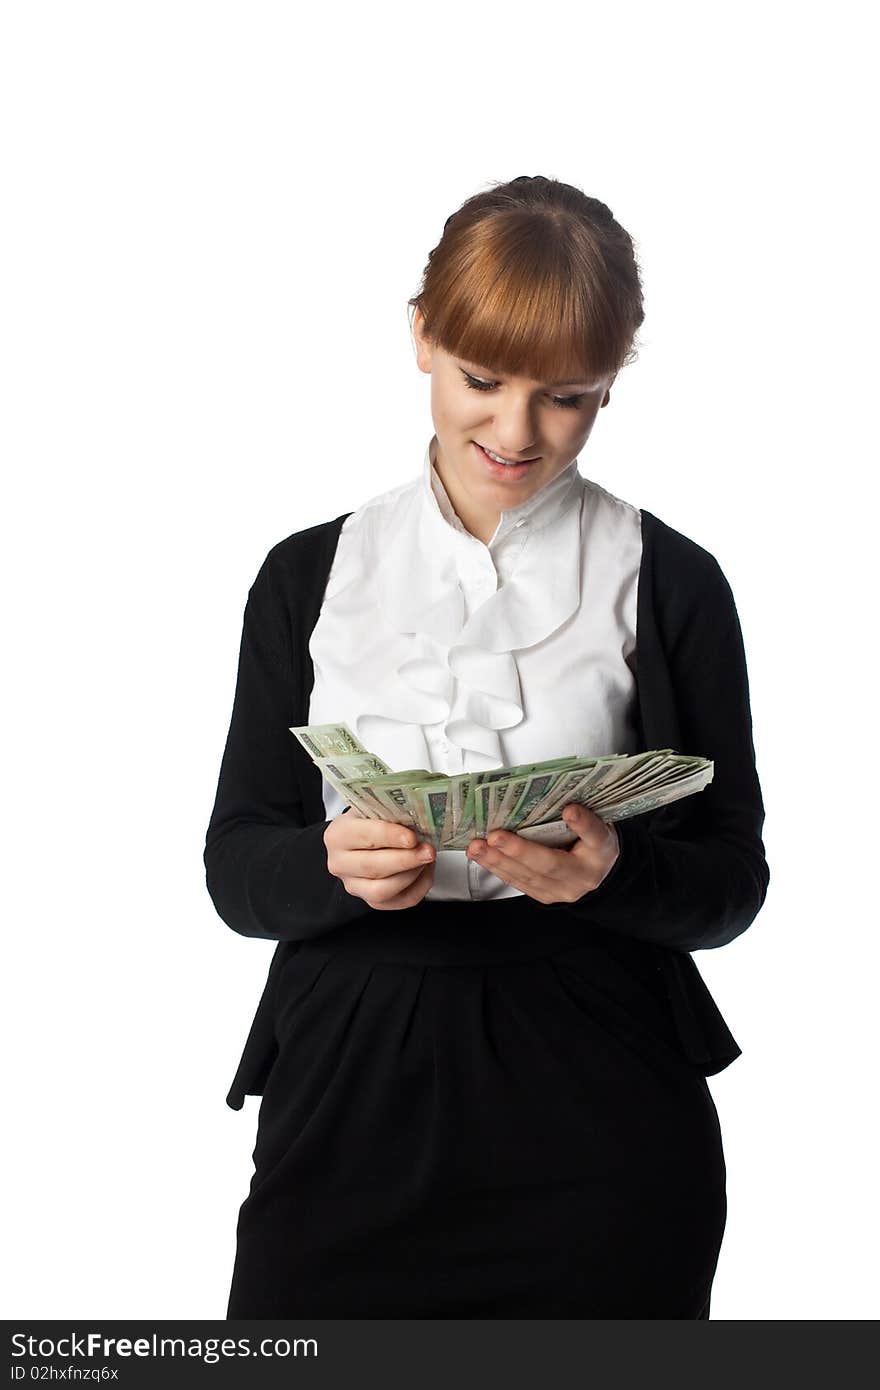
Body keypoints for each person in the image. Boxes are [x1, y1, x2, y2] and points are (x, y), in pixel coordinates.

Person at [203, 174, 769, 1319]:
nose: (515, 433)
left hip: (603, 1095)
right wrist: (327, 865)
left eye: (567, 397)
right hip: (349, 1085)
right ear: (421, 336)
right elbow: (234, 865)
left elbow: (731, 882)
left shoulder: (673, 582)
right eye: (480, 379)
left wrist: (615, 872)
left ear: (615, 378)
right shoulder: (306, 576)